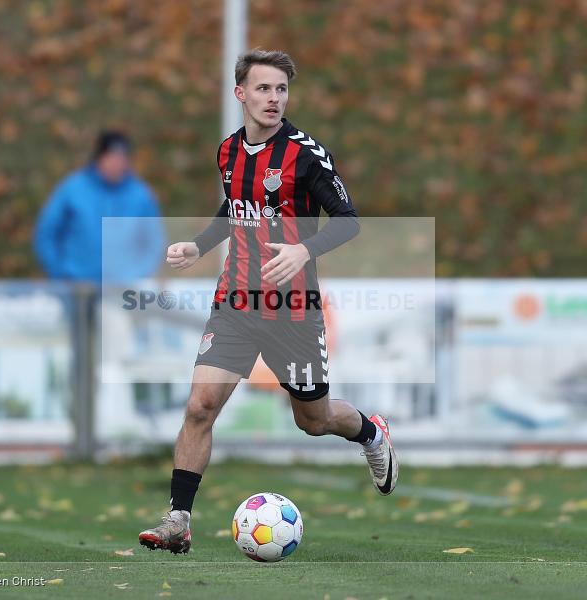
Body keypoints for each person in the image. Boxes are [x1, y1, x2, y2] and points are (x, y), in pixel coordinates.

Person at [138, 49, 398, 555]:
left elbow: (348, 220)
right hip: (235, 302)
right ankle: (178, 519)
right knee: (200, 407)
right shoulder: (228, 151)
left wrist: (303, 249)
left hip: (293, 310)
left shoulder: (305, 155)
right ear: (241, 94)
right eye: (262, 88)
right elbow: (233, 207)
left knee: (314, 420)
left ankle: (370, 430)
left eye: (281, 89)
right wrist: (199, 244)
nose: (273, 99)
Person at [34, 130, 165, 283]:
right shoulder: (73, 189)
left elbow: (153, 241)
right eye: (111, 157)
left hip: (123, 288)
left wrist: (139, 274)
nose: (117, 164)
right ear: (99, 158)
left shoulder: (140, 195)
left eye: (122, 158)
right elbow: (47, 233)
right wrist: (60, 273)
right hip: (78, 285)